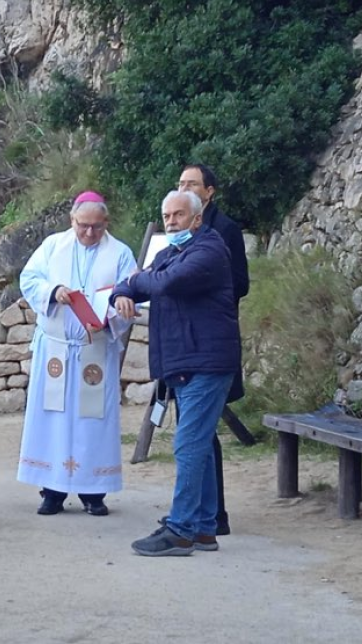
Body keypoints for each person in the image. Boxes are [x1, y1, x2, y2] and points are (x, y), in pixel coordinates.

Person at [113, 190, 241, 557]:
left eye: (178, 216)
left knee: (188, 444)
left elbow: (163, 283)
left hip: (205, 361)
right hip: (187, 361)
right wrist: (128, 289)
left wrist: (140, 282)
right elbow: (131, 283)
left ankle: (182, 529)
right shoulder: (173, 254)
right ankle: (202, 529)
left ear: (197, 219)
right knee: (198, 443)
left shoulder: (208, 251)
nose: (171, 222)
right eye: (166, 216)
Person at [16, 191, 137, 516]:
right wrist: (54, 292)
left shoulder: (121, 253)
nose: (89, 233)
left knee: (92, 420)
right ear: (72, 221)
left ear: (106, 223)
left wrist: (112, 315)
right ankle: (51, 491)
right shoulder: (53, 246)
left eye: (96, 227)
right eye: (83, 226)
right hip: (56, 347)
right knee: (52, 418)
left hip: (95, 349)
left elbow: (130, 294)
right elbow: (28, 279)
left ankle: (93, 491)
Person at [178, 163, 250, 535]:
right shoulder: (179, 230)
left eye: (192, 184)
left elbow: (240, 283)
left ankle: (213, 515)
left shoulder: (225, 230)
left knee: (202, 432)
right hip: (183, 344)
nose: (185, 188)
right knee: (192, 432)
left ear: (210, 192)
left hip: (210, 340)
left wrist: (200, 284)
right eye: (181, 183)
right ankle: (198, 512)